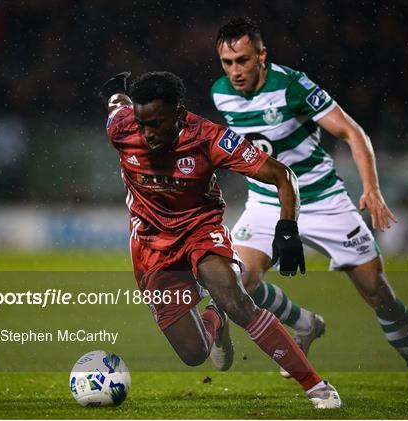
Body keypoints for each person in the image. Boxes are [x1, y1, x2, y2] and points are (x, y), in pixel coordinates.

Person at [211, 17, 408, 396]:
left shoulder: (293, 86)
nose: (235, 71)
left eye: (243, 61)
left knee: (377, 291)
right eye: (227, 62)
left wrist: (372, 189)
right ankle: (303, 324)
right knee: (238, 282)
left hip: (324, 202)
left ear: (262, 56)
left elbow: (352, 131)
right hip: (267, 203)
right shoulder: (221, 94)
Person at [99, 70, 342, 408]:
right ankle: (216, 320)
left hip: (200, 230)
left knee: (237, 300)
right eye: (142, 124)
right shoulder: (122, 128)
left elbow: (281, 175)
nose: (147, 133)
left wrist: (287, 228)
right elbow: (117, 106)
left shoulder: (210, 138)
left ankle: (316, 386)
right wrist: (115, 95)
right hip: (151, 246)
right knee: (194, 354)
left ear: (180, 114)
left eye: (156, 123)